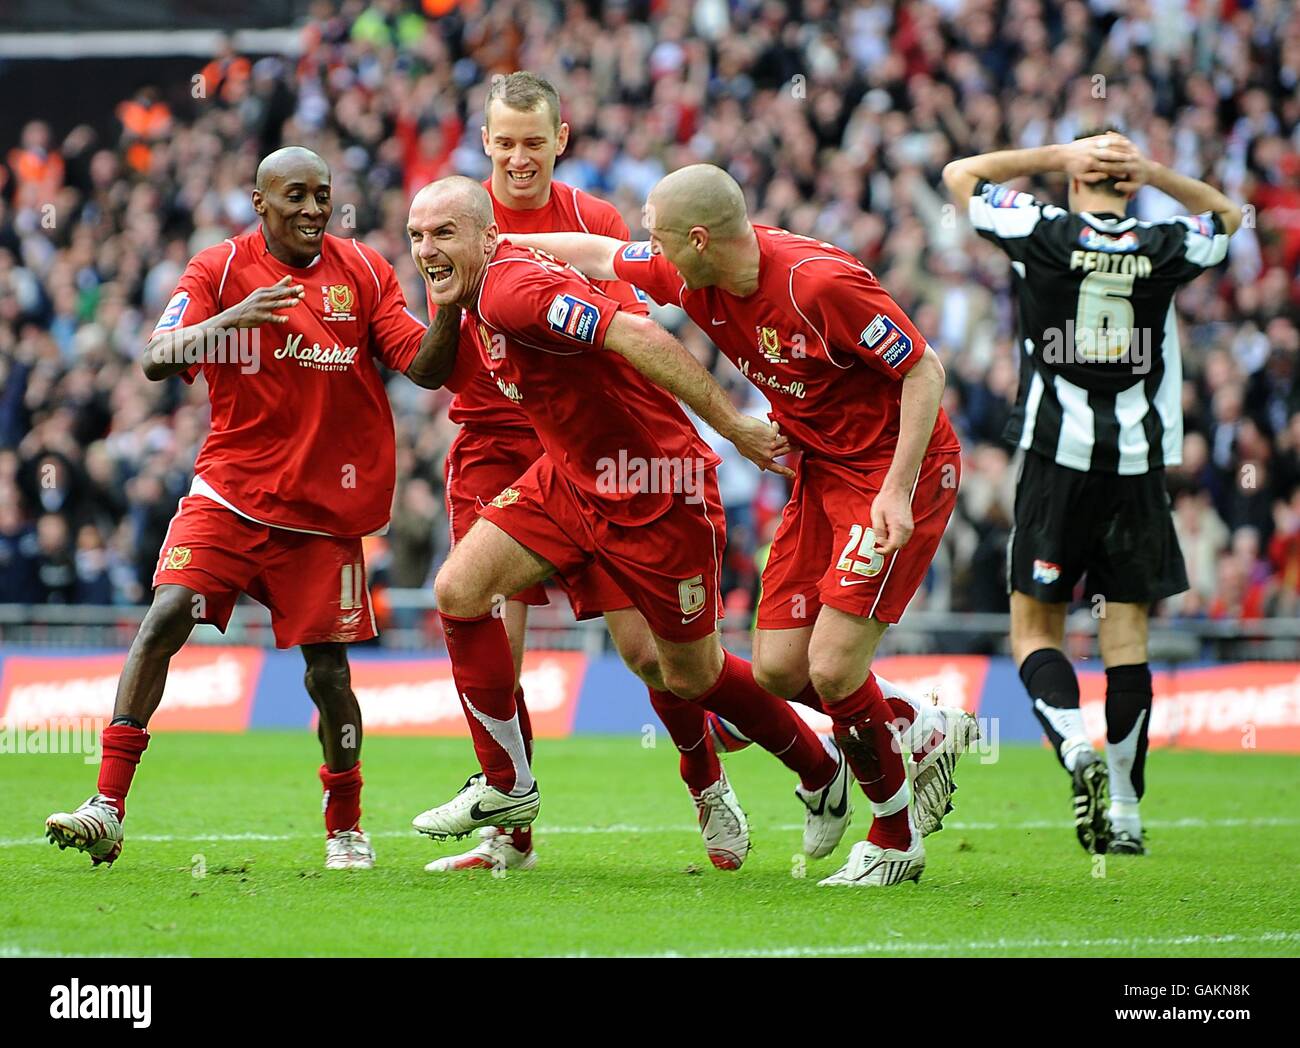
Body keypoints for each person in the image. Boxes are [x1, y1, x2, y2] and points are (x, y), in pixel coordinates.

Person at [494, 163, 975, 888]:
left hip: (893, 474)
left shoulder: (818, 284)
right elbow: (597, 253)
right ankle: (913, 722)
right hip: (820, 474)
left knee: (835, 666)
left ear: (697, 238)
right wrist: (496, 243)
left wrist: (899, 489)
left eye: (657, 237)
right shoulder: (691, 273)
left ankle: (895, 839)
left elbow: (924, 370)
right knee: (782, 668)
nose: (646, 251)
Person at [406, 176, 855, 870]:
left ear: (485, 236)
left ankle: (820, 768)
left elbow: (634, 331)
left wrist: (734, 425)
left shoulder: (510, 289)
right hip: (569, 480)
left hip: (659, 491)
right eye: (417, 236)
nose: (427, 249)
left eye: (443, 234)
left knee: (687, 675)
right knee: (459, 590)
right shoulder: (476, 291)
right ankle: (507, 788)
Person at [44, 146, 449, 870]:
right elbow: (157, 355)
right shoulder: (218, 269)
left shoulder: (362, 271)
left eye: (322, 196)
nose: (313, 210)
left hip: (323, 516)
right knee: (165, 619)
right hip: (230, 493)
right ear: (259, 202)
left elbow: (422, 365)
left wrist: (449, 303)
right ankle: (107, 805)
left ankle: (345, 823)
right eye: (295, 196)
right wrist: (233, 317)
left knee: (330, 677)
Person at [427, 72, 742, 874]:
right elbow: (438, 347)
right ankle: (511, 826)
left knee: (647, 655)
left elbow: (630, 338)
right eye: (506, 143)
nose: (520, 157)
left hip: (592, 454)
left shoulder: (592, 224)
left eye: (535, 143)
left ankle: (707, 782)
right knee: (493, 630)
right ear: (487, 142)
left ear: (559, 140)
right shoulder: (456, 220)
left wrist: (718, 422)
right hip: (493, 446)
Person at [942, 130, 1240, 854]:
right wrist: (1158, 172)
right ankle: (1129, 813)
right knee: (1127, 638)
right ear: (1129, 184)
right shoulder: (1165, 243)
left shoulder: (1041, 231)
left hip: (1055, 458)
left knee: (1035, 630)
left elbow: (961, 175)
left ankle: (1074, 745)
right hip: (1137, 467)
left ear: (1077, 179)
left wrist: (1053, 156)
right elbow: (1230, 217)